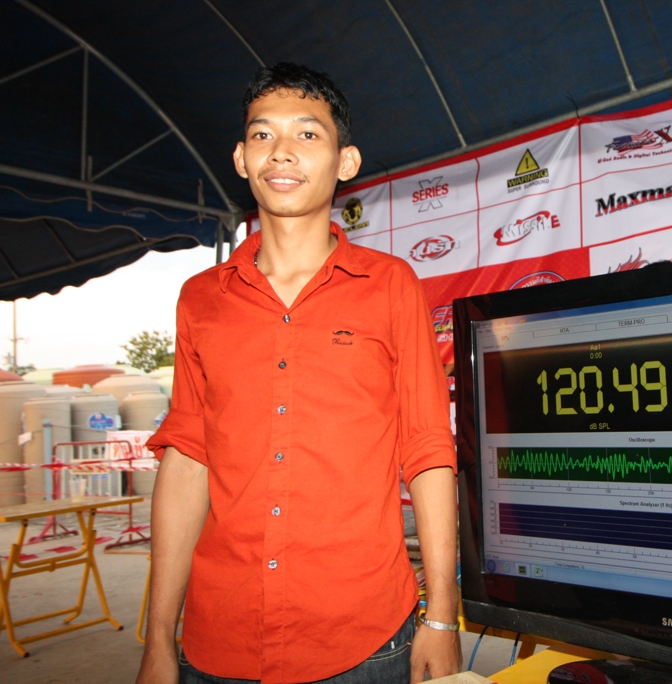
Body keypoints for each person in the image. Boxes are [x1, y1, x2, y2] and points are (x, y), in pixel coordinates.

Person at [136, 63, 461, 684]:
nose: (281, 151)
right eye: (263, 134)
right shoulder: (200, 299)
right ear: (241, 158)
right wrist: (157, 639)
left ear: (346, 161)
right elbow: (188, 459)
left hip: (362, 637)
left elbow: (427, 449)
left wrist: (441, 617)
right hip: (219, 639)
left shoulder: (391, 286)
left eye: (308, 134)